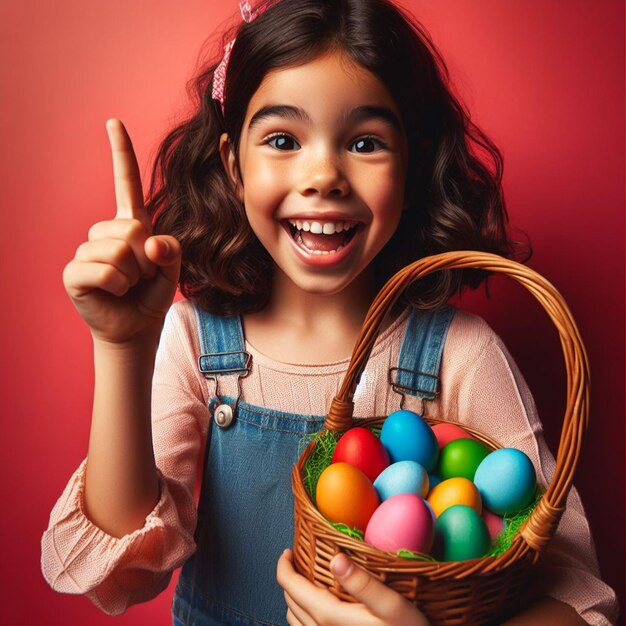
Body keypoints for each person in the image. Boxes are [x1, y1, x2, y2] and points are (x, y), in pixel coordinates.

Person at [41, 0, 618, 624]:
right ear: (235, 166)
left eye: (365, 142)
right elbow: (127, 570)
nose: (324, 176)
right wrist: (123, 350)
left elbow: (578, 602)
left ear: (412, 165)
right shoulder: (199, 345)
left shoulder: (458, 357)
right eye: (284, 139)